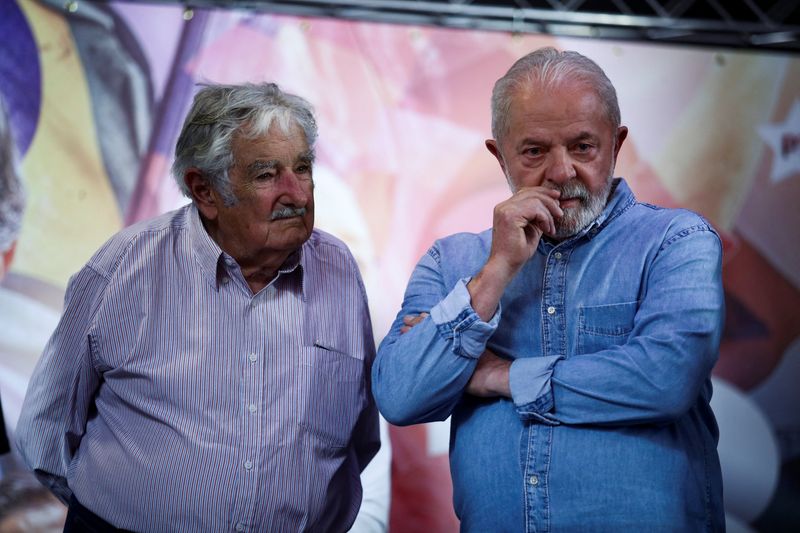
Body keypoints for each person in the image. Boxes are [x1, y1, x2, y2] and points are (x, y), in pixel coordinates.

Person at [372, 47, 724, 531]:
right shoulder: (451, 261)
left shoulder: (676, 241)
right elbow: (400, 395)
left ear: (617, 145)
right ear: (499, 156)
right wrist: (496, 269)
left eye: (583, 147)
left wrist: (500, 376)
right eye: (535, 151)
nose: (561, 173)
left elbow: (666, 379)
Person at [16, 82, 380, 531]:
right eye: (266, 175)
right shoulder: (124, 267)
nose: (297, 194)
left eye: (302, 168)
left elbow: (359, 441)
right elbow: (48, 430)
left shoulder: (340, 271)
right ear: (204, 191)